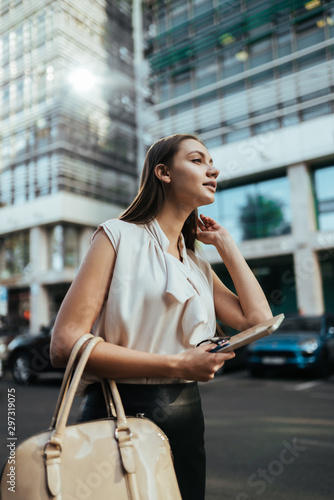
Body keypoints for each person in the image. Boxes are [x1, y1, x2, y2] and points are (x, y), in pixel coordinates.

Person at [50, 133, 272, 500]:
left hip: (186, 418)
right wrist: (177, 365)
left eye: (211, 162)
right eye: (198, 160)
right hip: (118, 413)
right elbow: (64, 345)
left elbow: (258, 322)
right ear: (164, 173)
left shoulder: (196, 263)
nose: (212, 169)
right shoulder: (116, 236)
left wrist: (227, 246)